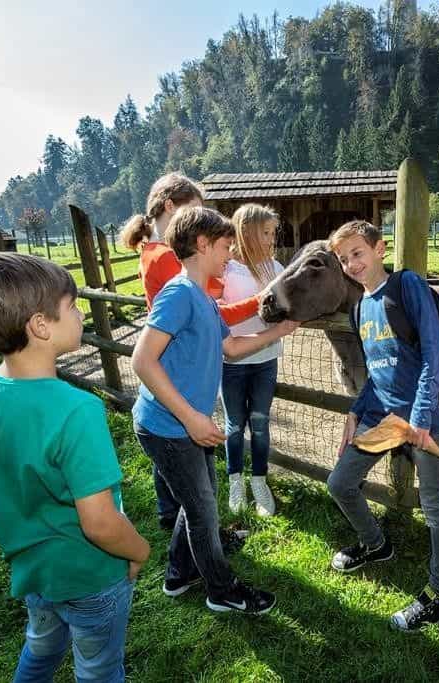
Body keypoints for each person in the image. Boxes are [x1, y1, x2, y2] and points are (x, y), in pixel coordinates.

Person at [0, 252, 150, 682]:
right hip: (90, 573)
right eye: (72, 307)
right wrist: (139, 551)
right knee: (98, 669)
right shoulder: (76, 409)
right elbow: (98, 524)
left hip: (32, 570)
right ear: (41, 325)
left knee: (41, 647)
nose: (80, 315)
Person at [131, 206, 299, 614]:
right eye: (225, 246)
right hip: (169, 428)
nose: (230, 253)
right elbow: (142, 360)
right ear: (202, 245)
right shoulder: (179, 293)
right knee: (204, 512)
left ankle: (178, 574)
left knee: (198, 502)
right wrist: (191, 418)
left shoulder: (203, 296)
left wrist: (278, 331)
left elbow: (231, 347)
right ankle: (221, 590)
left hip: (186, 427)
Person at [325, 220, 439, 632]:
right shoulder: (360, 307)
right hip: (383, 419)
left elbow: (432, 354)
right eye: (344, 259)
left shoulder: (407, 286)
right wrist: (355, 408)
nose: (351, 264)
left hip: (423, 420)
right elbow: (377, 373)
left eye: (358, 253)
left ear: (380, 248)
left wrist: (419, 419)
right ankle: (376, 544)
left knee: (436, 507)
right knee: (340, 483)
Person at [121, 172, 260, 535]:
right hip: (179, 378)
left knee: (184, 478)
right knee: (196, 494)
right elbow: (210, 314)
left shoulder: (155, 255)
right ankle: (191, 541)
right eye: (194, 210)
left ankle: (175, 522)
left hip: (177, 370)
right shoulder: (172, 268)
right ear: (171, 206)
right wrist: (259, 303)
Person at [220, 204, 286, 516]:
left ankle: (259, 481)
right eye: (266, 233)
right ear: (246, 233)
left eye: (274, 233)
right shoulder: (226, 270)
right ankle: (236, 481)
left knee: (259, 423)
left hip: (265, 360)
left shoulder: (276, 268)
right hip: (231, 364)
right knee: (234, 425)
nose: (272, 239)